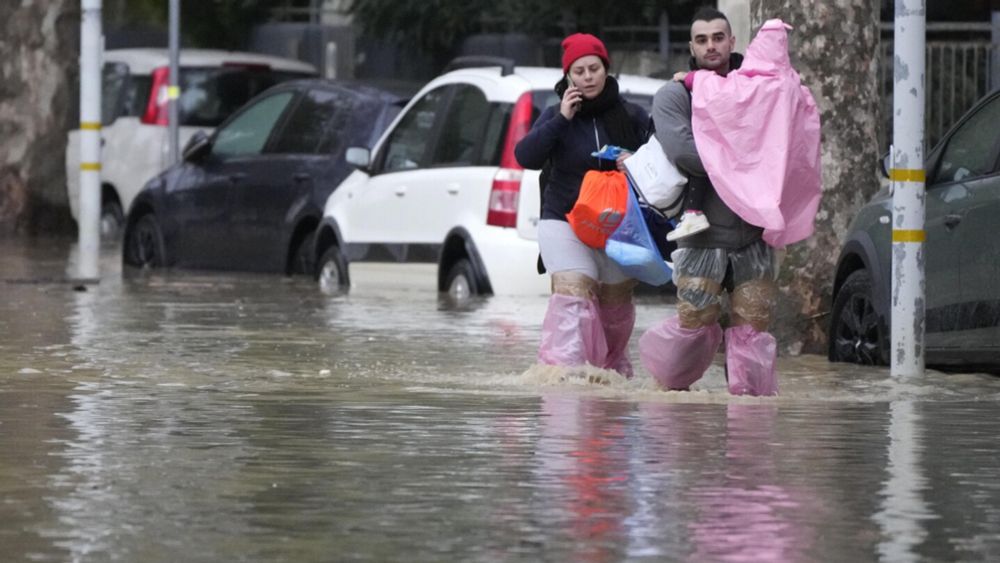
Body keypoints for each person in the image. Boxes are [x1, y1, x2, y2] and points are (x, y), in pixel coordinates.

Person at [638, 7, 780, 396]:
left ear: (733, 42)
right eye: (702, 40)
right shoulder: (673, 94)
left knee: (753, 328)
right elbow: (684, 151)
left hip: (755, 232)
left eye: (718, 37)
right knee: (695, 324)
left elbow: (781, 140)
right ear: (691, 46)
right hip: (700, 235)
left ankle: (752, 426)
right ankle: (664, 401)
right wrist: (746, 158)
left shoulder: (757, 88)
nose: (711, 46)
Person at [514, 33, 649, 379]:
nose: (587, 77)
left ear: (606, 70)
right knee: (574, 296)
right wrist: (561, 119)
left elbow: (659, 167)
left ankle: (609, 376)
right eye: (579, 71)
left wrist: (636, 161)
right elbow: (525, 156)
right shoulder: (554, 115)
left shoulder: (632, 116)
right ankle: (563, 377)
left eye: (594, 68)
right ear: (568, 76)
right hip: (564, 220)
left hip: (618, 225)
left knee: (614, 310)